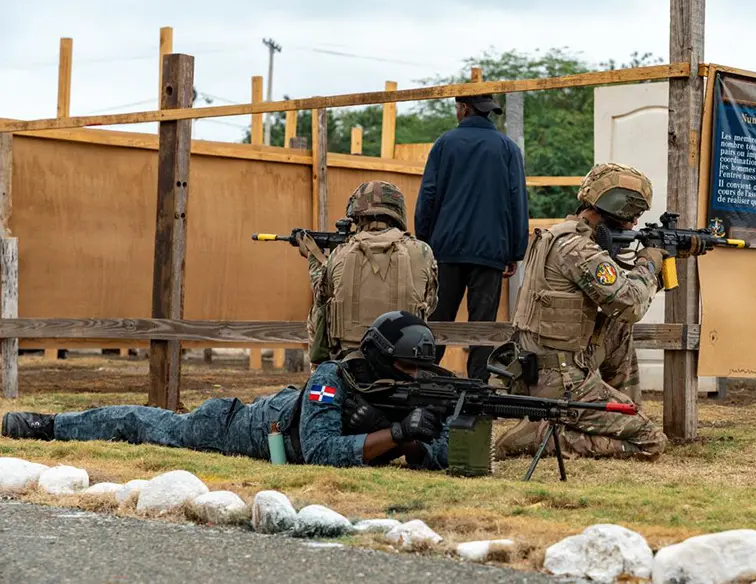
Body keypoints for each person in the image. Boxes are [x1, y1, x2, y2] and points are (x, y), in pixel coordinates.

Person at [2, 312, 451, 470]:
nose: (413, 376)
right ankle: (47, 425)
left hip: (283, 417)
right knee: (141, 423)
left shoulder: (419, 389)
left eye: (419, 369)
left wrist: (413, 441)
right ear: (380, 357)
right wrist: (396, 435)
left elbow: (446, 455)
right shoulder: (334, 377)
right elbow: (320, 452)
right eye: (405, 366)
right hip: (235, 426)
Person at [494, 162, 671, 461]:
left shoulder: (558, 236)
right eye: (631, 215)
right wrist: (649, 264)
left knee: (617, 326)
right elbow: (632, 304)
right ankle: (536, 437)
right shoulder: (579, 249)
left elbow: (615, 307)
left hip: (541, 369)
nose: (633, 223)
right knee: (650, 441)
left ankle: (623, 408)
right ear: (615, 207)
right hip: (560, 382)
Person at [414, 93, 529, 382]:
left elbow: (428, 194)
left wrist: (424, 241)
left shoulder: (444, 144)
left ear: (464, 108)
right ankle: (477, 385)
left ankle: (427, 380)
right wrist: (515, 250)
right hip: (490, 253)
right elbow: (518, 201)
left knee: (438, 321)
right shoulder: (507, 148)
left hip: (445, 250)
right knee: (482, 324)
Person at [301, 180, 438, 368]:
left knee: (319, 311)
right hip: (404, 364)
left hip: (349, 363)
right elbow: (429, 305)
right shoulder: (422, 252)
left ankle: (318, 373)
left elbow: (321, 295)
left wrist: (313, 258)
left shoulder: (340, 252)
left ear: (357, 216)